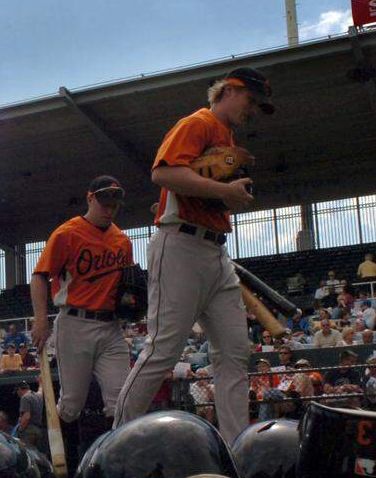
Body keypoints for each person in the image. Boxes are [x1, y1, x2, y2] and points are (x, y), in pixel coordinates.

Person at [111, 67, 273, 443]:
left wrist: (231, 194)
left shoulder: (226, 136)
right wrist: (224, 192)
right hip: (180, 244)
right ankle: (113, 442)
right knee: (163, 350)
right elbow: (162, 174)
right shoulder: (198, 123)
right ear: (229, 91)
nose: (253, 110)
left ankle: (236, 449)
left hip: (215, 250)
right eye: (250, 100)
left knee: (234, 352)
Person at [30, 175, 134, 431]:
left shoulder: (123, 240)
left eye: (114, 206)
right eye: (105, 204)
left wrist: (132, 303)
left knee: (122, 402)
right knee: (70, 405)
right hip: (75, 324)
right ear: (90, 198)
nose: (110, 210)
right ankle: (53, 458)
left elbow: (128, 287)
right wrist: (41, 320)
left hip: (111, 327)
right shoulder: (67, 233)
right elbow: (39, 277)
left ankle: (117, 464)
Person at [13, 381, 44, 448]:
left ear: (20, 389)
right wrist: (40, 383)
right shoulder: (38, 396)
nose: (18, 394)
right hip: (38, 430)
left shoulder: (25, 398)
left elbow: (27, 417)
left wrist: (20, 430)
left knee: (26, 452)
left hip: (28, 431)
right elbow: (40, 390)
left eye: (17, 391)